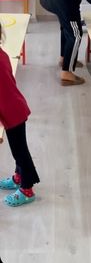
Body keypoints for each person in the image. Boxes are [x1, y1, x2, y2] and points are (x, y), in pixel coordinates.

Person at [0, 22, 40, 206]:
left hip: (12, 113)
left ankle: (27, 188)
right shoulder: (2, 54)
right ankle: (18, 177)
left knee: (20, 151)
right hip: (13, 109)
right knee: (17, 149)